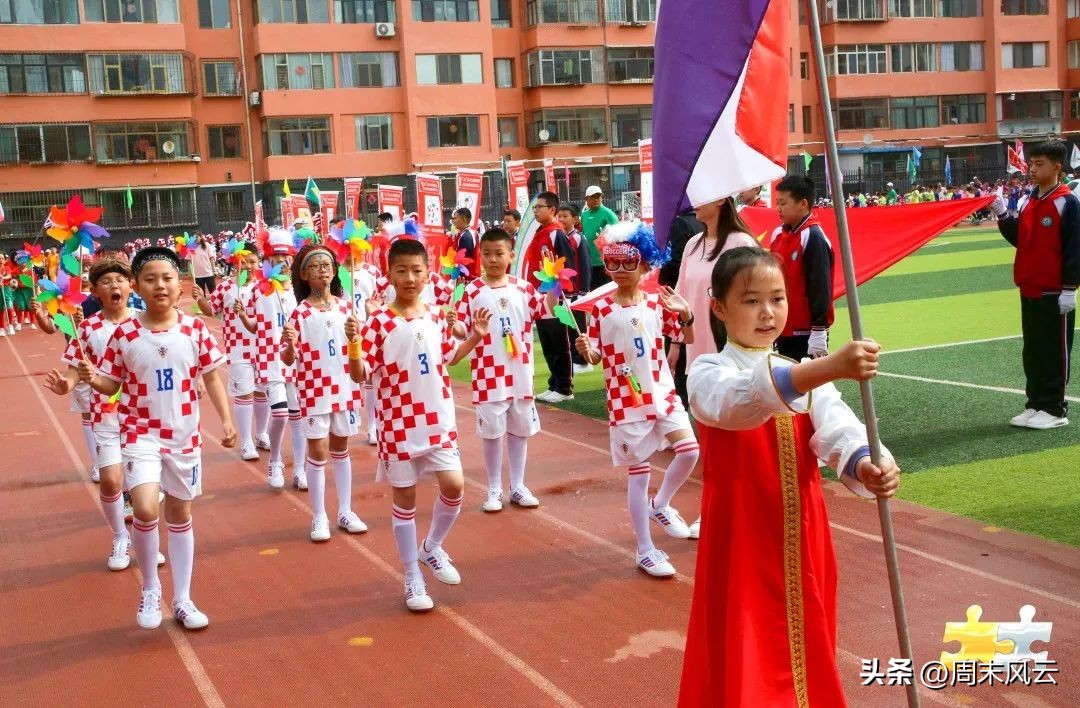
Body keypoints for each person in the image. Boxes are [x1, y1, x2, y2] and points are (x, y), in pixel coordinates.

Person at [678, 247, 900, 706]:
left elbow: (836, 426)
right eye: (751, 300)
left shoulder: (800, 372)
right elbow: (736, 404)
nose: (767, 313)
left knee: (807, 637)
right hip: (742, 537)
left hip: (803, 532)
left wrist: (866, 462)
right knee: (749, 644)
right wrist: (826, 368)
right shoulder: (708, 371)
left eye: (777, 299)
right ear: (718, 307)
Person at [79, 247, 237, 631]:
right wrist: (91, 377)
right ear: (137, 286)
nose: (160, 285)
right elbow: (112, 383)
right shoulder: (124, 333)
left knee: (181, 514)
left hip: (184, 436)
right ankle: (151, 589)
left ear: (179, 284)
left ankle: (182, 598)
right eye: (150, 279)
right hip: (140, 434)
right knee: (148, 508)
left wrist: (227, 421)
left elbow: (213, 376)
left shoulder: (195, 329)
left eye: (167, 278)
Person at [355, 238, 490, 612]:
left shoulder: (434, 314)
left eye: (416, 270)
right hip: (398, 424)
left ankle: (430, 548)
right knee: (406, 499)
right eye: (401, 271)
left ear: (427, 273)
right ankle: (411, 575)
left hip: (438, 418)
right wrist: (353, 345)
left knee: (455, 486)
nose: (410, 278)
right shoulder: (377, 322)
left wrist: (476, 337)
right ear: (389, 274)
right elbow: (359, 373)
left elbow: (448, 358)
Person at [575, 223, 699, 578]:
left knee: (690, 450)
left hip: (662, 392)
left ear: (645, 265)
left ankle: (660, 505)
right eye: (612, 263)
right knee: (639, 473)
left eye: (628, 263)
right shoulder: (599, 310)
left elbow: (686, 336)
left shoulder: (658, 305)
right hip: (625, 401)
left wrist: (685, 312)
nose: (618, 271)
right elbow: (597, 357)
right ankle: (645, 550)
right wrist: (588, 350)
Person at [669, 197, 760, 539]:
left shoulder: (742, 244)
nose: (693, 203)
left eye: (702, 195)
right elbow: (681, 298)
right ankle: (718, 510)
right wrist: (676, 342)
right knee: (708, 437)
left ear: (721, 199)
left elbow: (754, 297)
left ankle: (735, 511)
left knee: (736, 439)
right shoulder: (693, 243)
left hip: (732, 355)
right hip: (697, 354)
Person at [43, 258, 142, 571]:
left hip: (144, 415)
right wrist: (66, 383)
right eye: (106, 282)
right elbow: (73, 369)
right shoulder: (87, 327)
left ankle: (145, 539)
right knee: (112, 482)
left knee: (143, 485)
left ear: (131, 286)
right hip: (105, 413)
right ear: (95, 291)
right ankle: (120, 536)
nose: (114, 286)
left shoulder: (144, 320)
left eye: (120, 280)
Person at [280, 244, 368, 542]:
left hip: (344, 387)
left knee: (341, 449)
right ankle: (319, 516)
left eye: (327, 265)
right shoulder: (300, 313)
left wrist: (357, 335)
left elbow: (359, 349)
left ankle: (346, 511)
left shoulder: (346, 308)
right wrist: (290, 345)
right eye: (315, 266)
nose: (323, 270)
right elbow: (288, 359)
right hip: (314, 389)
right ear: (304, 274)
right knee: (318, 452)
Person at [453, 228, 545, 512]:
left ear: (510, 255)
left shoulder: (523, 288)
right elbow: (460, 328)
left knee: (519, 431)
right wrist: (452, 323)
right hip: (488, 374)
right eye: (487, 254)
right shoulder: (472, 290)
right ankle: (493, 488)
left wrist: (554, 285)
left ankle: (517, 485)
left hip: (520, 373)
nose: (492, 260)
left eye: (499, 254)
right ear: (480, 256)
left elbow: (544, 311)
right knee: (492, 433)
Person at [992, 139, 1079, 430]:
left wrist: (1070, 288)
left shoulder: (1067, 202)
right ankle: (1035, 404)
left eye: (1039, 164)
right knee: (1033, 350)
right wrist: (1004, 215)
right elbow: (1022, 240)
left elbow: (1075, 248)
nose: (1032, 169)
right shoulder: (1030, 199)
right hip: (1029, 289)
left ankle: (1055, 408)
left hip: (1055, 292)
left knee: (1055, 351)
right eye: (1032, 163)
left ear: (1057, 166)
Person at [238, 227, 304, 490]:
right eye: (275, 258)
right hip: (270, 359)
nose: (281, 262)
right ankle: (275, 460)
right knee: (280, 415)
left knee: (298, 417)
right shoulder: (258, 291)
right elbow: (254, 327)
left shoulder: (300, 292)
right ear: (268, 260)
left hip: (297, 362)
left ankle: (300, 467)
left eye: (286, 257)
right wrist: (243, 316)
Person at [193, 242, 264, 462]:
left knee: (262, 393)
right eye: (244, 262)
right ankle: (246, 442)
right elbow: (211, 311)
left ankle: (261, 434)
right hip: (238, 349)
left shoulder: (266, 286)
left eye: (253, 262)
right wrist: (199, 298)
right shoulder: (225, 288)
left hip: (264, 348)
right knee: (244, 394)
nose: (249, 266)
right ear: (235, 262)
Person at [769, 175, 834, 361]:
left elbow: (821, 287)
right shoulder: (778, 234)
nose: (778, 208)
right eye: (777, 202)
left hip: (806, 333)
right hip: (781, 327)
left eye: (783, 203)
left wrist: (819, 330)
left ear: (803, 203)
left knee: (811, 389)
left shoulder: (812, 237)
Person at [525, 191, 578, 403]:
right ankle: (554, 383)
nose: (536, 211)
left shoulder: (556, 233)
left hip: (556, 295)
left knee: (559, 341)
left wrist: (563, 293)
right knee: (547, 341)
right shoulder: (540, 232)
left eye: (540, 207)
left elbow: (569, 264)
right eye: (535, 208)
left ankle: (565, 387)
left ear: (552, 210)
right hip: (540, 294)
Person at [557, 203, 593, 371]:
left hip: (577, 290)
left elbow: (585, 264)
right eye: (560, 216)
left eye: (565, 216)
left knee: (579, 325)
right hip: (565, 290)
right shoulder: (560, 237)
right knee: (568, 325)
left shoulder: (578, 238)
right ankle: (574, 357)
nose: (562, 219)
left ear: (575, 219)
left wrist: (584, 290)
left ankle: (583, 359)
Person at [580, 185, 620, 289]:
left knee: (605, 291)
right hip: (590, 261)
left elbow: (618, 237)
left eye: (599, 196)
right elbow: (585, 234)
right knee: (592, 291)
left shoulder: (608, 214)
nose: (596, 199)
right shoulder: (584, 215)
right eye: (593, 197)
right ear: (586, 199)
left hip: (604, 262)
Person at [191, 234, 217, 302]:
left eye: (197, 237)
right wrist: (190, 273)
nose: (196, 239)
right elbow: (189, 261)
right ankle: (202, 308)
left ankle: (215, 306)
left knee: (213, 292)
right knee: (201, 294)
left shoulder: (206, 245)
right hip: (197, 275)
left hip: (208, 273)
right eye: (194, 238)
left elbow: (211, 258)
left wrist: (214, 270)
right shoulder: (191, 247)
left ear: (200, 237)